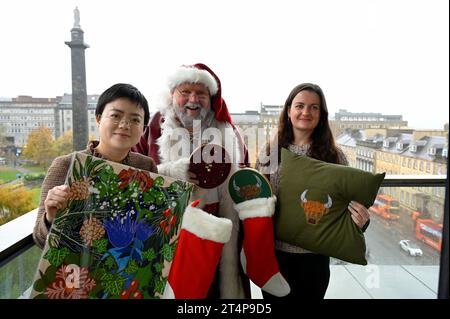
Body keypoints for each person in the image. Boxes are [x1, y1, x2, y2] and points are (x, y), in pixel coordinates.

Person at [133, 63, 250, 298]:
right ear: (172, 95)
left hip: (222, 229)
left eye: (201, 94)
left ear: (211, 98)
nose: (193, 99)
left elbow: (244, 177)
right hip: (173, 232)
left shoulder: (229, 130)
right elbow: (134, 176)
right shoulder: (153, 126)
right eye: (185, 92)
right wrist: (173, 172)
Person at [256, 83, 370, 300]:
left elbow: (350, 206)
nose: (306, 112)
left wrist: (361, 221)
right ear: (289, 111)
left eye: (313, 107)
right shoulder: (269, 151)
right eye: (299, 105)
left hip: (314, 261)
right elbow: (257, 199)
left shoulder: (336, 156)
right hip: (273, 257)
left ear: (321, 114)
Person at [33, 83, 156, 248]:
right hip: (77, 270)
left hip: (129, 269)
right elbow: (40, 240)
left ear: (143, 128)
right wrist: (50, 218)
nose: (125, 125)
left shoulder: (146, 166)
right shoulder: (66, 166)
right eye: (115, 116)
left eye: (135, 120)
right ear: (98, 119)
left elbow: (153, 227)